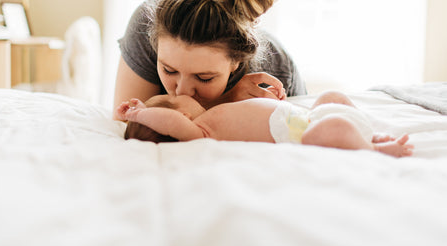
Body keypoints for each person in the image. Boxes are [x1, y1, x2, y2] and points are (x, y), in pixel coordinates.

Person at [113, 0, 306, 119]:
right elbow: (127, 123)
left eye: (204, 78)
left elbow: (299, 138)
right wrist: (226, 100)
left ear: (236, 62)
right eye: (169, 70)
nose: (182, 91)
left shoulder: (273, 73)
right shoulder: (146, 24)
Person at [116, 91, 414, 158]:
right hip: (305, 134)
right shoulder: (197, 133)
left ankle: (370, 131)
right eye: (173, 100)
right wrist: (141, 115)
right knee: (331, 128)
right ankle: (374, 147)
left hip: (307, 117)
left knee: (331, 96)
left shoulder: (213, 115)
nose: (182, 93)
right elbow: (168, 121)